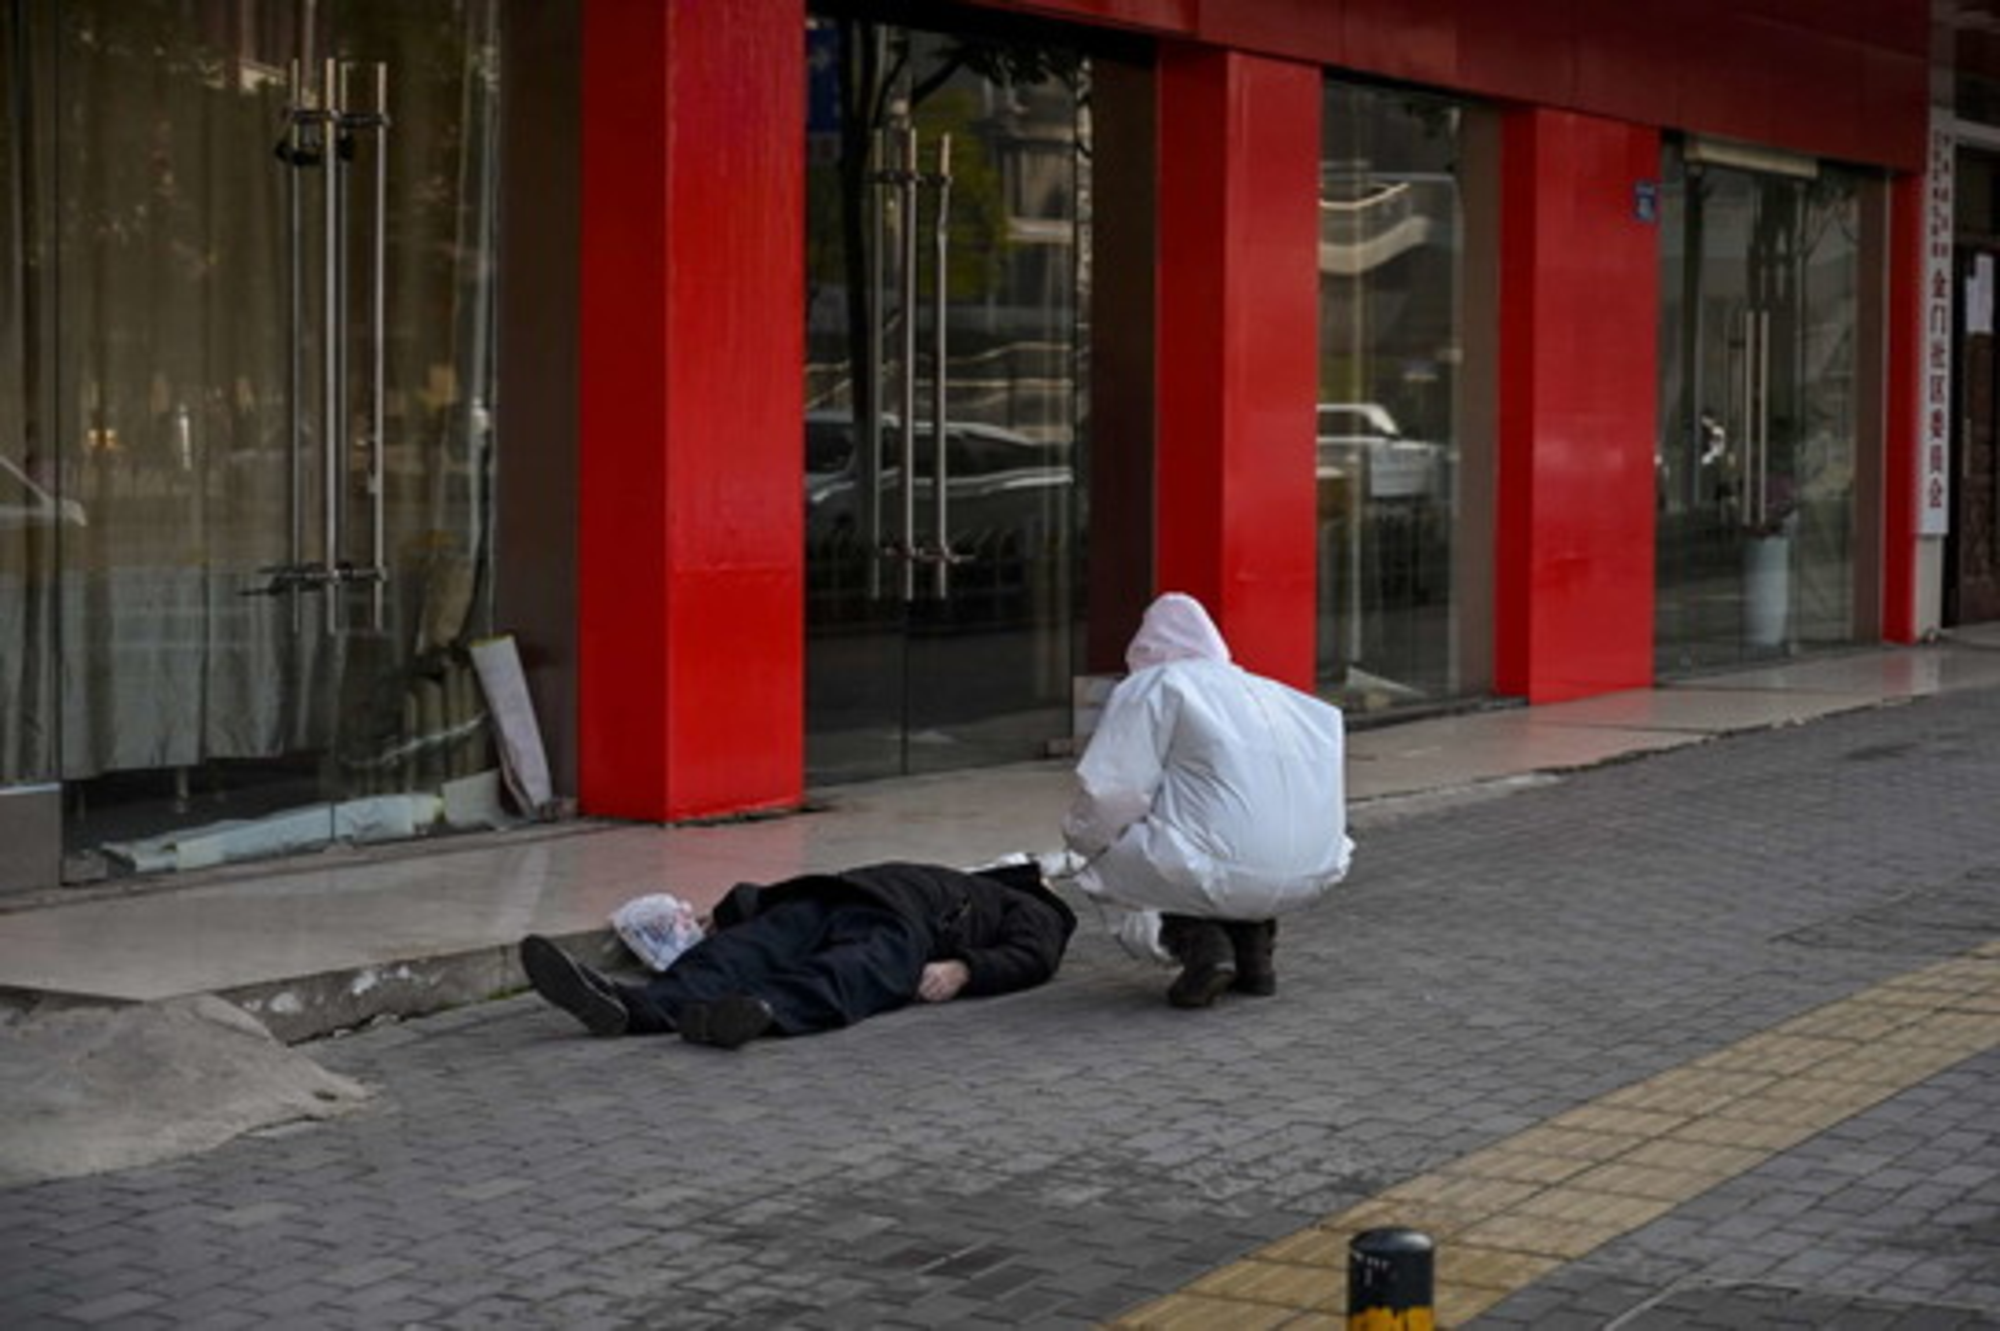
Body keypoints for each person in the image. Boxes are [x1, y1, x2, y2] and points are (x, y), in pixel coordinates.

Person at [1063, 592, 1352, 1008]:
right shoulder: (1277, 695)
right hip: (1314, 869)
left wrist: (1079, 840)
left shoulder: (1158, 684)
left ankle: (1198, 945)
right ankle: (1255, 952)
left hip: (1217, 867)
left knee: (1104, 857)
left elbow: (1113, 791)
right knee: (1212, 843)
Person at [519, 859, 1076, 1049]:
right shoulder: (982, 886)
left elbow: (1034, 956)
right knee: (757, 955)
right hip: (869, 906)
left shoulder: (1036, 908)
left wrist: (964, 969)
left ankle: (712, 1013)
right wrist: (739, 909)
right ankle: (634, 1007)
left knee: (792, 960)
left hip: (871, 909)